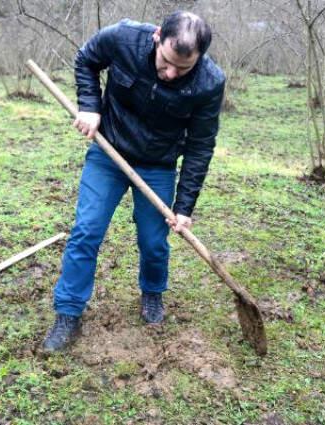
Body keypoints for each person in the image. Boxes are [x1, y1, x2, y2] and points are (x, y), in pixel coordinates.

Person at [43, 11, 225, 352]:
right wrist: (89, 106)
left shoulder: (209, 82)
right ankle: (68, 312)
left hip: (158, 164)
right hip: (109, 152)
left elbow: (200, 146)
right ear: (157, 36)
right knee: (86, 230)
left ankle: (153, 293)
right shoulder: (123, 38)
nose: (171, 74)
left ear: (200, 57)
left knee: (154, 241)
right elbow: (86, 60)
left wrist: (184, 207)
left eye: (182, 69)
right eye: (166, 62)